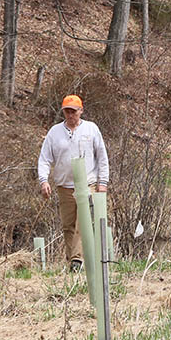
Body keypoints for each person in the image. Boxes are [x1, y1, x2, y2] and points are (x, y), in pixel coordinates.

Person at [37, 95, 109, 271]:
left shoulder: (91, 129)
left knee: (81, 222)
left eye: (73, 111)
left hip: (87, 184)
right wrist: (44, 180)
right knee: (68, 225)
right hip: (64, 185)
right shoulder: (54, 132)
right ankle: (73, 264)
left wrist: (103, 182)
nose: (70, 115)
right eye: (67, 111)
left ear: (81, 111)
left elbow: (102, 156)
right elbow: (45, 158)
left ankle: (77, 259)